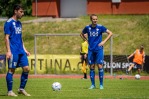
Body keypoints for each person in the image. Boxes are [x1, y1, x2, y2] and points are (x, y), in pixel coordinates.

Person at [4, 4, 31, 96]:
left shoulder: (19, 23)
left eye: (23, 12)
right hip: (13, 51)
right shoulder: (9, 23)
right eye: (21, 11)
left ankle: (21, 89)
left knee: (26, 68)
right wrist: (8, 51)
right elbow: (6, 38)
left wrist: (25, 50)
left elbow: (20, 38)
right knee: (11, 70)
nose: (22, 13)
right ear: (15, 11)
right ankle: (10, 91)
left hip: (21, 51)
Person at [80, 14, 113, 89]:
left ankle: (101, 85)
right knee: (91, 67)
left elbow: (110, 33)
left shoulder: (100, 27)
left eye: (96, 19)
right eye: (93, 19)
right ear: (91, 20)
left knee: (100, 66)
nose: (95, 20)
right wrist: (86, 40)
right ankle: (93, 85)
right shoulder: (87, 27)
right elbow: (81, 34)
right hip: (91, 50)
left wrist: (104, 41)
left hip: (99, 49)